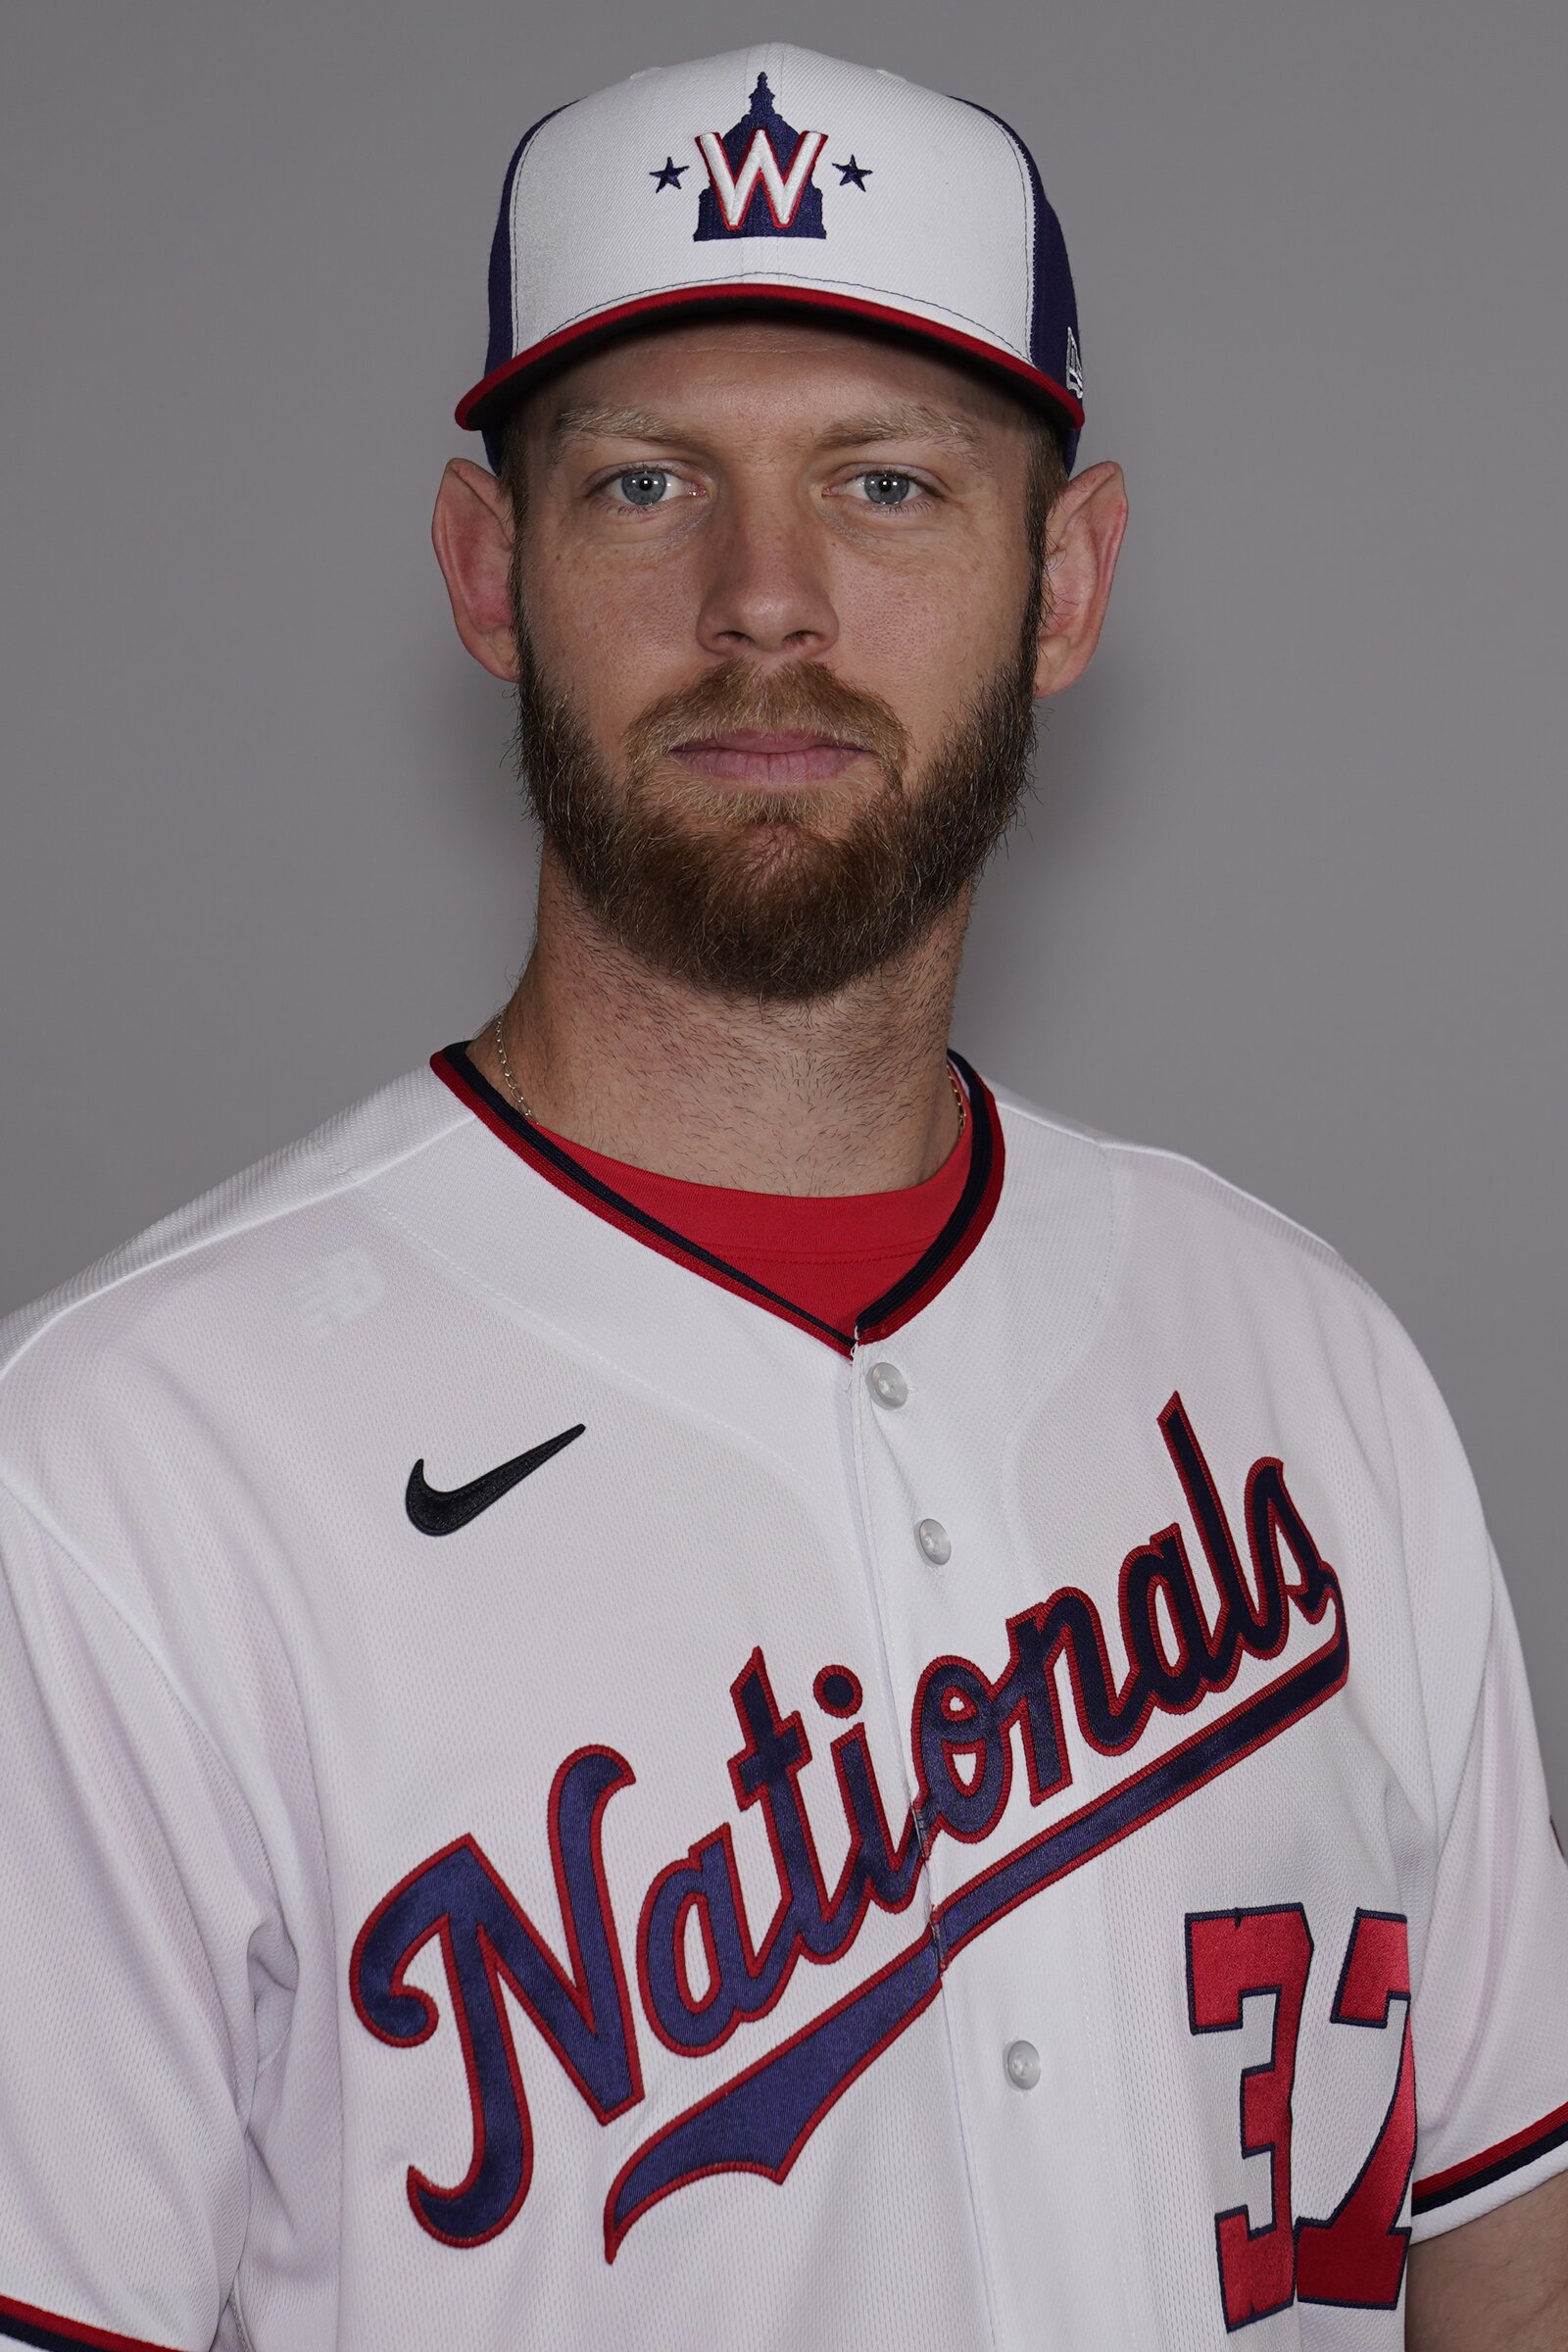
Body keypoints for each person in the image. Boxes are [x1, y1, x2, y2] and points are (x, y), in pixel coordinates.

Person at [0, 41, 1563, 2352]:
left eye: (888, 485)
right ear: (482, 569)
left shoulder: (1305, 1363)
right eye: (642, 485)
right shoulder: (120, 1471)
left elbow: (1498, 2243)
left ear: (1065, 580)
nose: (764, 600)